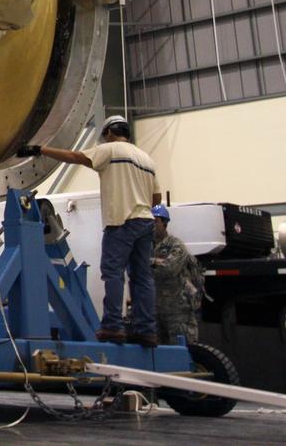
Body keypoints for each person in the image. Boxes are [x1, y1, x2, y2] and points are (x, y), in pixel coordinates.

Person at [17, 114, 161, 346]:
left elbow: (76, 157)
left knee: (113, 273)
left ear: (109, 133)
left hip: (121, 221)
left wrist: (41, 149)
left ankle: (113, 326)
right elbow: (156, 198)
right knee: (142, 277)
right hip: (145, 222)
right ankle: (146, 330)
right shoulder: (146, 159)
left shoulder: (112, 150)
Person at [152, 204, 202, 345]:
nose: (152, 226)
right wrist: (155, 262)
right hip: (156, 310)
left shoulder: (175, 245)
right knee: (159, 354)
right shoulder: (147, 246)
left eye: (155, 221)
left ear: (164, 223)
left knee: (183, 350)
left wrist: (150, 262)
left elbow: (169, 268)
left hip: (178, 310)